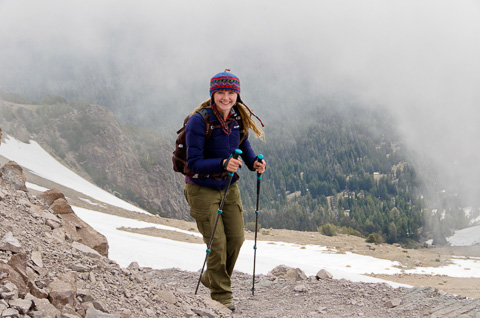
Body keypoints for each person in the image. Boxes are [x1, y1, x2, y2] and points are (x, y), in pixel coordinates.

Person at [184, 69, 266, 311]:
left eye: (231, 92)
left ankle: (212, 277)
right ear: (212, 94)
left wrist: (254, 163)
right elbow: (193, 163)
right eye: (221, 92)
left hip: (229, 187)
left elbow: (244, 144)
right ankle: (221, 295)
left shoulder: (237, 118)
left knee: (237, 239)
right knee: (217, 244)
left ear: (237, 95)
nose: (226, 97)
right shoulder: (198, 120)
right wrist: (222, 163)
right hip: (202, 189)